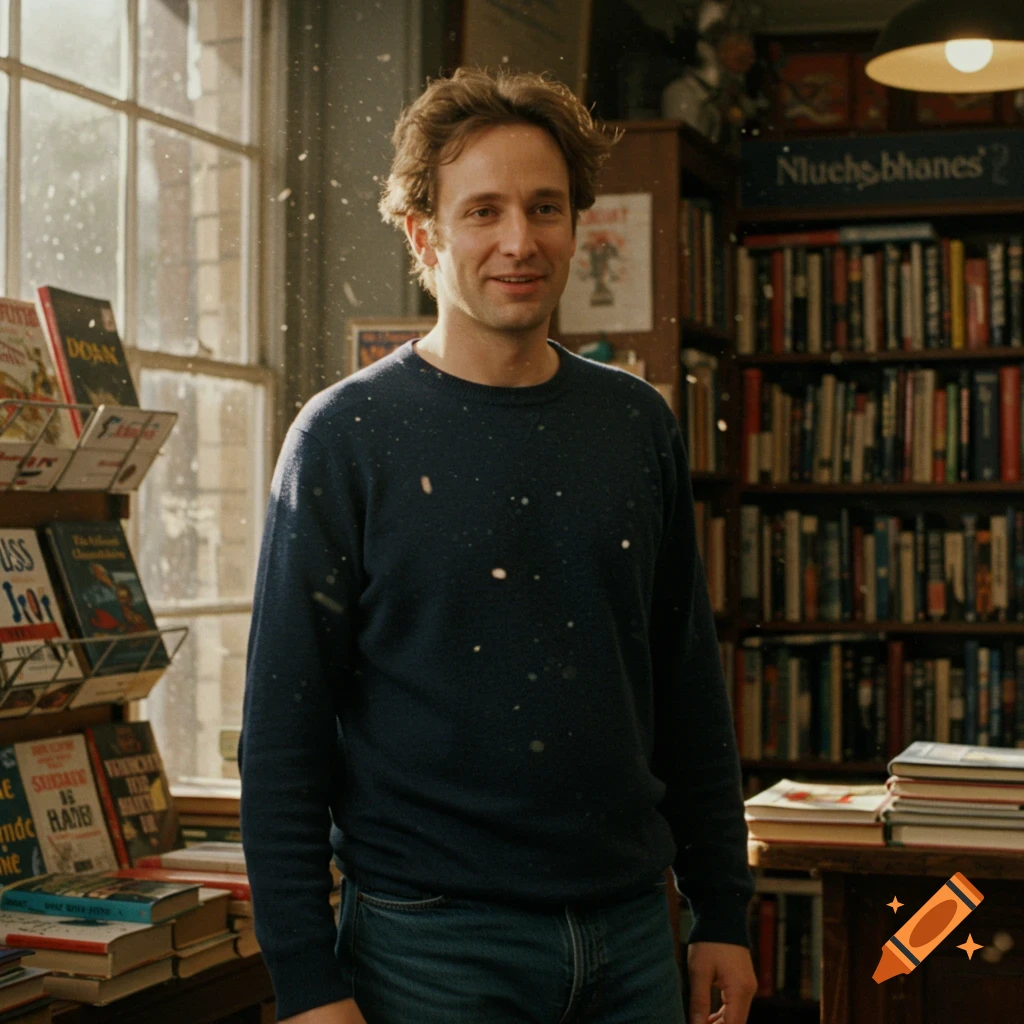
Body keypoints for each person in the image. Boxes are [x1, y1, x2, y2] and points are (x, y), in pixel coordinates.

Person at [239, 66, 756, 1024]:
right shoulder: (345, 437)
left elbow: (688, 686)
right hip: (429, 948)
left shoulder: (637, 423)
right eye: (483, 211)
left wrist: (722, 908)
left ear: (576, 225)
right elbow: (283, 731)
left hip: (636, 933)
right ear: (422, 233)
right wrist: (307, 982)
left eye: (545, 208)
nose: (520, 241)